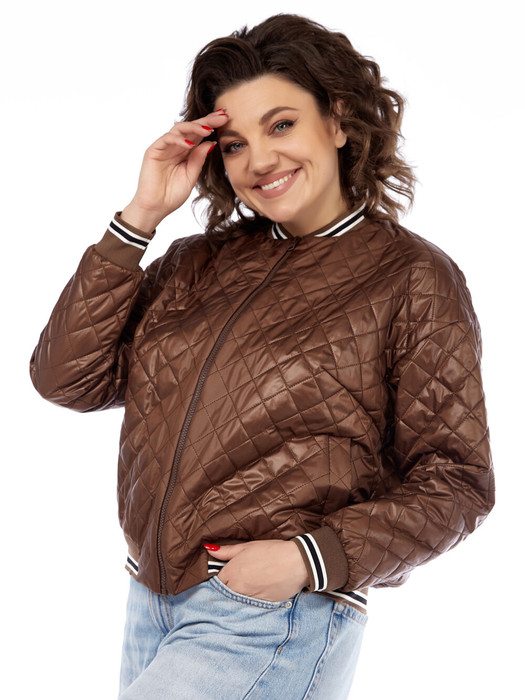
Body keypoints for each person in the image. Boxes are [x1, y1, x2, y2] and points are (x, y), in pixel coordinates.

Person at [29, 13, 495, 700]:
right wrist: (140, 217)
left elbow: (457, 480)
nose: (259, 161)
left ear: (338, 120)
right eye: (235, 144)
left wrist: (309, 559)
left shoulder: (411, 277)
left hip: (270, 613)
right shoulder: (196, 262)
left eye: (281, 125)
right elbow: (66, 378)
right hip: (149, 602)